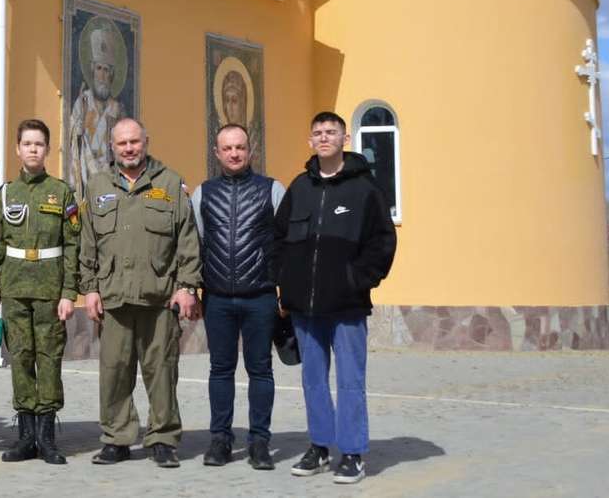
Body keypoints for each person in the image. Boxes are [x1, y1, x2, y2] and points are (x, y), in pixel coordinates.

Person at [275, 111, 397, 485]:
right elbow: (277, 240)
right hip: (305, 308)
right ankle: (320, 447)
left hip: (347, 305)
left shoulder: (365, 189)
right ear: (310, 141)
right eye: (317, 132)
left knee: (349, 380)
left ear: (345, 139)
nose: (324, 137)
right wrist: (284, 287)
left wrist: (355, 279)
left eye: (331, 132)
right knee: (313, 380)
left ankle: (354, 452)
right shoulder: (300, 187)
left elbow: (383, 242)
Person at [80, 117, 201, 468]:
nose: (129, 149)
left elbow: (188, 241)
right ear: (113, 147)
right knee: (114, 372)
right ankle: (117, 439)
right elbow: (88, 242)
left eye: (134, 142)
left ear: (146, 141)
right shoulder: (98, 185)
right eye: (122, 144)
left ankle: (162, 438)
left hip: (159, 297)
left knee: (162, 371)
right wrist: (89, 289)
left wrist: (186, 286)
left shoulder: (170, 182)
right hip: (114, 297)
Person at [190, 123, 284, 470]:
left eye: (240, 147)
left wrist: (284, 293)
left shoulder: (273, 190)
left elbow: (285, 245)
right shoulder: (203, 193)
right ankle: (220, 441)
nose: (234, 153)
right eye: (227, 148)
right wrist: (191, 289)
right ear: (216, 153)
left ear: (250, 150)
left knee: (261, 371)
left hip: (260, 296)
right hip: (217, 298)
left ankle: (260, 442)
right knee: (220, 370)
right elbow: (194, 246)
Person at [0, 118, 79, 465]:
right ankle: (25, 436)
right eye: (27, 144)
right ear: (17, 149)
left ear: (48, 149)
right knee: (21, 359)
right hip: (14, 288)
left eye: (39, 144)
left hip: (50, 290)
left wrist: (70, 293)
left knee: (49, 359)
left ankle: (47, 437)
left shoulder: (62, 192)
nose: (33, 150)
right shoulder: (6, 193)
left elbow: (72, 246)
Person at [66, 25, 126, 204]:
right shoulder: (82, 103)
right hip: (85, 178)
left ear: (112, 74)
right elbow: (74, 142)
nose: (102, 75)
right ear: (92, 69)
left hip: (109, 182)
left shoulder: (117, 109)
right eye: (99, 68)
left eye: (106, 70)